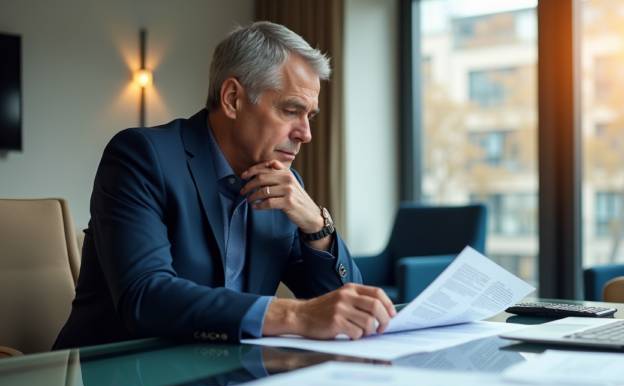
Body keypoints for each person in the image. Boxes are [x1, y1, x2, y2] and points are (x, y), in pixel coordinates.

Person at [53, 21, 395, 350]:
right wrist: (294, 315)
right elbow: (145, 297)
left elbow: (345, 307)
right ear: (232, 98)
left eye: (310, 116)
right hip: (120, 376)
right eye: (291, 111)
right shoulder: (141, 157)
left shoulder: (284, 188)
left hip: (232, 375)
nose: (305, 134)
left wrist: (317, 225)